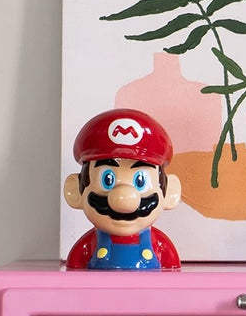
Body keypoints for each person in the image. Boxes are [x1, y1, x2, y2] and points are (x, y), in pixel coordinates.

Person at [63, 108, 182, 271]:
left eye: (140, 181)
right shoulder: (88, 246)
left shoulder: (160, 246)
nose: (124, 199)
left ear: (170, 193)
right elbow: (72, 277)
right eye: (107, 180)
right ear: (76, 191)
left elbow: (174, 277)